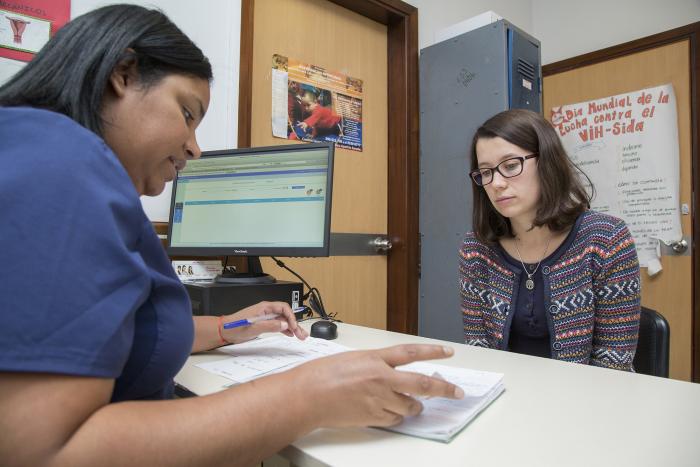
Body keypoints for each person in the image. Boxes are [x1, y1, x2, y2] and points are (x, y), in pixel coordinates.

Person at [0, 5, 464, 466]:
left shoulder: (43, 156)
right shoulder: (60, 168)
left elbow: (125, 330)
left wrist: (226, 328)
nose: (195, 149)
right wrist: (307, 395)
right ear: (122, 73)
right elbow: (42, 451)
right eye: (187, 113)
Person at [460, 109, 641, 371]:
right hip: (508, 398)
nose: (496, 183)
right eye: (485, 172)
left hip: (587, 400)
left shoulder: (606, 239)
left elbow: (613, 365)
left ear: (547, 162)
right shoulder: (476, 249)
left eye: (510, 166)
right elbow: (479, 351)